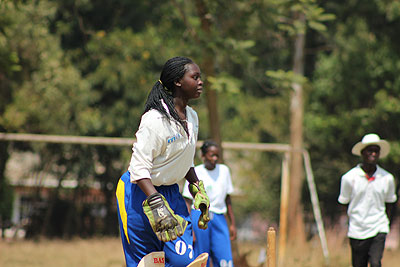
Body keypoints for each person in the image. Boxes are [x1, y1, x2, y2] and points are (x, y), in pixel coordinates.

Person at [115, 56, 210, 267]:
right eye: (195, 77)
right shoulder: (154, 120)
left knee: (182, 260)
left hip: (172, 194)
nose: (200, 82)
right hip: (140, 194)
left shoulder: (192, 117)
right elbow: (138, 169)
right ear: (178, 82)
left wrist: (197, 188)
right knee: (148, 262)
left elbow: (185, 160)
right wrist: (157, 205)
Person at [338, 133, 397, 267]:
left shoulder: (387, 178)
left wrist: (386, 224)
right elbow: (344, 203)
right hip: (357, 229)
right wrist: (348, 223)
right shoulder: (349, 178)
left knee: (376, 263)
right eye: (370, 151)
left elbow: (390, 204)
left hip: (378, 226)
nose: (373, 154)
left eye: (376, 151)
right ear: (362, 153)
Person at [182, 140, 237, 267]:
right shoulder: (195, 172)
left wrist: (232, 224)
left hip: (219, 217)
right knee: (201, 256)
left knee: (225, 258)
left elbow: (228, 199)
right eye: (211, 155)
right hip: (199, 217)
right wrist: (190, 228)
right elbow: (187, 201)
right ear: (203, 156)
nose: (215, 158)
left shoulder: (224, 171)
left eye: (217, 155)